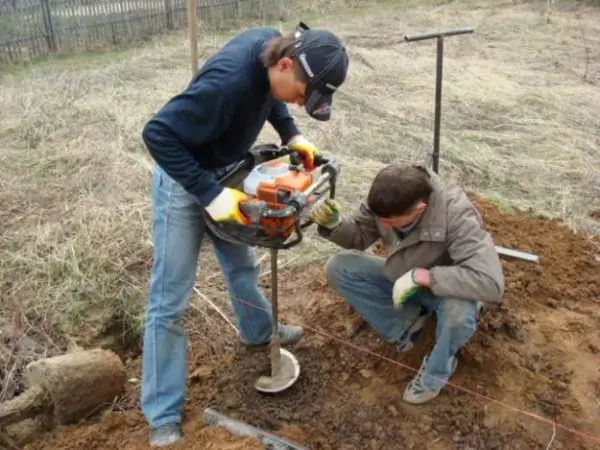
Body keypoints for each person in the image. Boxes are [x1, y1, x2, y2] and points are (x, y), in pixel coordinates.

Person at [140, 24, 349, 446]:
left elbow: (272, 96)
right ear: (285, 63)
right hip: (183, 185)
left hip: (227, 170)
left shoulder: (271, 48)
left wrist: (291, 132)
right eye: (300, 93)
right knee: (169, 300)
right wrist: (207, 193)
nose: (297, 101)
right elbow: (156, 134)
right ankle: (162, 414)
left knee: (241, 264)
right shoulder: (227, 83)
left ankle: (257, 331)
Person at [310, 163, 505, 404]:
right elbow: (359, 235)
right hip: (402, 276)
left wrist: (424, 277)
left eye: (391, 221)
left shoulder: (457, 217)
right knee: (340, 267)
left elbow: (490, 283)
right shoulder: (388, 198)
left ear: (419, 208)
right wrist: (336, 225)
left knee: (458, 314)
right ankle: (408, 327)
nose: (384, 224)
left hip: (448, 291)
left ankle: (437, 370)